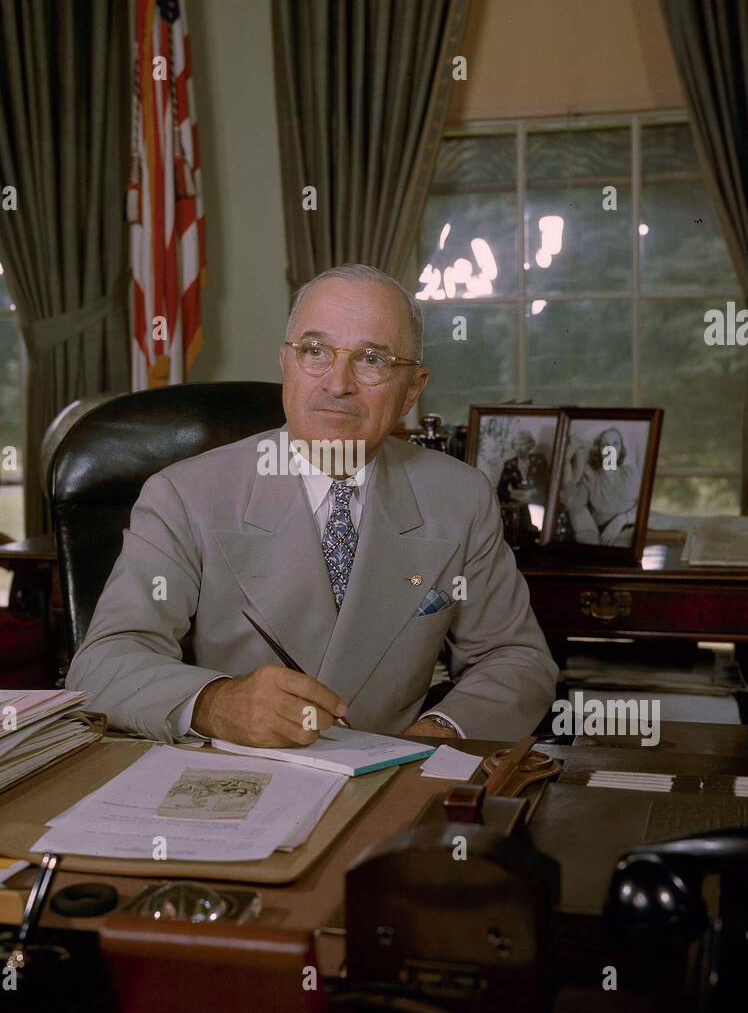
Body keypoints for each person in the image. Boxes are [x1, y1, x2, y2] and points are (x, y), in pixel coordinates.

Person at [65, 264, 558, 746]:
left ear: (412, 389)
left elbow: (517, 658)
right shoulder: (184, 495)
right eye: (316, 351)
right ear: (286, 365)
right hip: (239, 779)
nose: (337, 383)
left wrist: (440, 734)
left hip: (392, 787)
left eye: (373, 359)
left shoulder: (461, 496)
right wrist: (217, 703)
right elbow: (103, 663)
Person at [559, 426, 639, 545]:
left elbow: (645, 504)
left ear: (621, 449)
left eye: (615, 444)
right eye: (605, 445)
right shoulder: (591, 477)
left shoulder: (630, 473)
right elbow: (572, 503)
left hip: (633, 527)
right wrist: (569, 460)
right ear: (598, 450)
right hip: (609, 539)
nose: (610, 449)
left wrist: (622, 519)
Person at [496, 428, 549, 544]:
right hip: (518, 507)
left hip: (538, 504)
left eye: (523, 444)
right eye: (516, 445)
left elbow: (547, 485)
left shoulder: (539, 461)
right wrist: (512, 494)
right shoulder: (509, 465)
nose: (519, 448)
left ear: (530, 445)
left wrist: (532, 493)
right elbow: (500, 490)